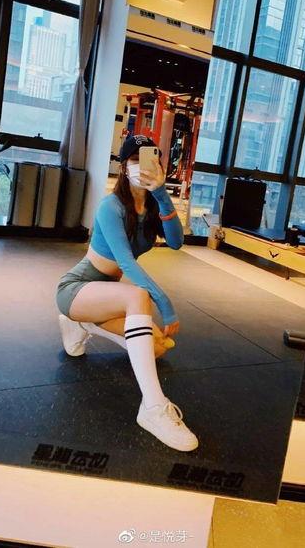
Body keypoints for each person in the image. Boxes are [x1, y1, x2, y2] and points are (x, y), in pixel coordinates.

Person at [56, 134, 198, 452]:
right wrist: (165, 303)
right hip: (76, 288)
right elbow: (125, 263)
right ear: (123, 167)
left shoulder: (152, 206)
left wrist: (161, 194)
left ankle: (83, 323)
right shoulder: (111, 206)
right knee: (138, 296)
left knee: (157, 348)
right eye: (134, 160)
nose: (142, 166)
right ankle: (153, 407)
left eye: (150, 159)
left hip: (106, 295)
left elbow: (176, 243)